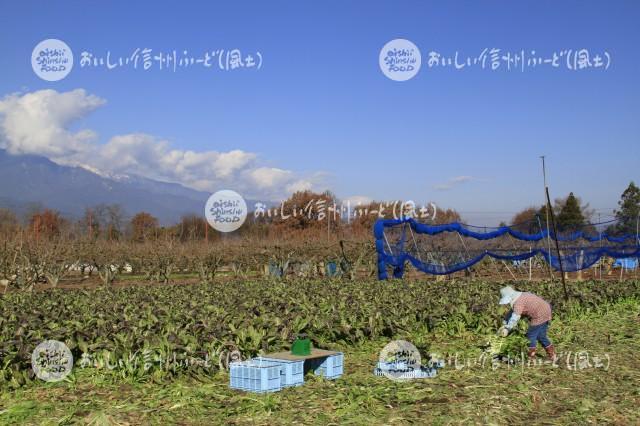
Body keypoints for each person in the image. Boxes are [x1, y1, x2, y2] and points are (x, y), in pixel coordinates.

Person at [497, 286, 556, 361]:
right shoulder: (521, 296)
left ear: (510, 297)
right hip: (546, 309)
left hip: (539, 315)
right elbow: (512, 312)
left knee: (530, 335)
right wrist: (504, 322)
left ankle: (531, 356)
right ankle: (552, 355)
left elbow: (515, 317)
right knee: (541, 335)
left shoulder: (518, 303)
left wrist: (508, 328)